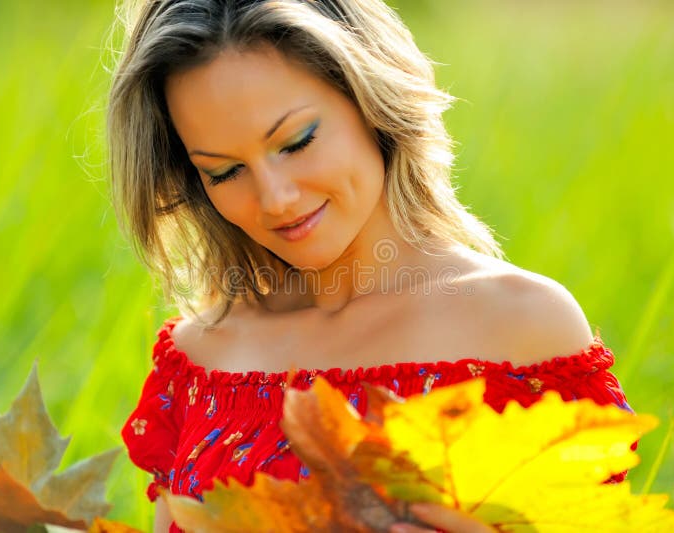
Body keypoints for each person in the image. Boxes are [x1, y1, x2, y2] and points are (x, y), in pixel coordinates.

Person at [107, 1, 635, 531]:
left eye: (297, 142)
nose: (275, 199)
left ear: (373, 101)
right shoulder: (203, 360)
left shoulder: (521, 331)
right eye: (223, 172)